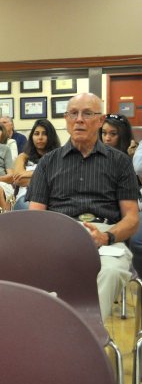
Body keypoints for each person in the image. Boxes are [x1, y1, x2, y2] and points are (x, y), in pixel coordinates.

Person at [28, 93, 139, 319]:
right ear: (66, 119)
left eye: (87, 113)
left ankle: (88, 332)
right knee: (36, 271)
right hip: (58, 234)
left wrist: (106, 237)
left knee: (111, 271)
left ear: (100, 120)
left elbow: (131, 218)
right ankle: (55, 331)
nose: (79, 119)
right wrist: (58, 238)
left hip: (105, 234)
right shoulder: (48, 162)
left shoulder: (120, 162)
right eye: (73, 113)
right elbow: (35, 219)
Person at [12, 119, 60, 210]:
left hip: (52, 197)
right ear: (32, 137)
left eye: (44, 134)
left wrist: (29, 174)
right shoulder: (23, 157)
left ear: (51, 136)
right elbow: (18, 180)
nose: (40, 137)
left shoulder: (58, 156)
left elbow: (57, 181)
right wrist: (46, 176)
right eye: (36, 134)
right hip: (26, 197)